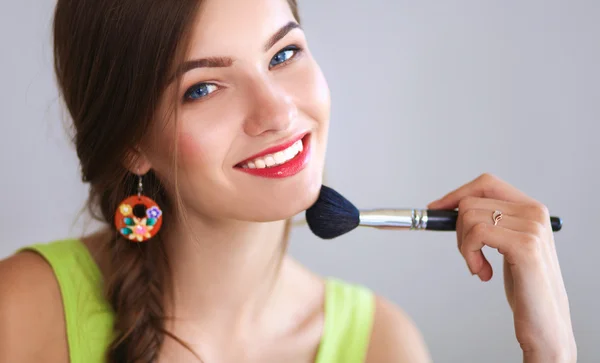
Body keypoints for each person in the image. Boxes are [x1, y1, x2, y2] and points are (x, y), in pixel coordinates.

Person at [0, 0, 576, 362]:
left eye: (283, 54)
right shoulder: (20, 310)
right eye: (202, 87)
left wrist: (549, 351)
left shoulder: (382, 346)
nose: (276, 111)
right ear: (132, 141)